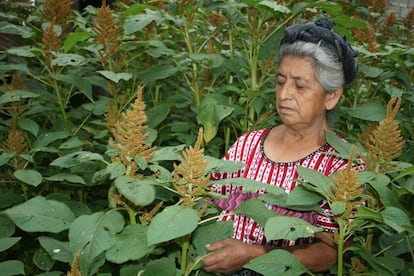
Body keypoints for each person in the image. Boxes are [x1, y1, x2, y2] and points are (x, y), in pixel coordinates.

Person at [202, 18, 363, 275]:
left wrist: (252, 255)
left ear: (332, 96)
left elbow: (330, 253)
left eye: (300, 86)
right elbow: (214, 200)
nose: (284, 94)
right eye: (280, 81)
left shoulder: (342, 166)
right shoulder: (248, 144)